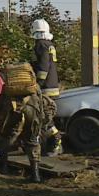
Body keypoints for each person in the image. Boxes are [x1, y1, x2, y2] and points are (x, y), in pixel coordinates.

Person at [30, 19, 62, 156]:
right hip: (52, 86)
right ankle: (46, 145)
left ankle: (56, 142)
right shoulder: (49, 44)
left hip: (46, 88)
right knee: (44, 118)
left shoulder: (41, 44)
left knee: (44, 119)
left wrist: (38, 83)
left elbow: (43, 67)